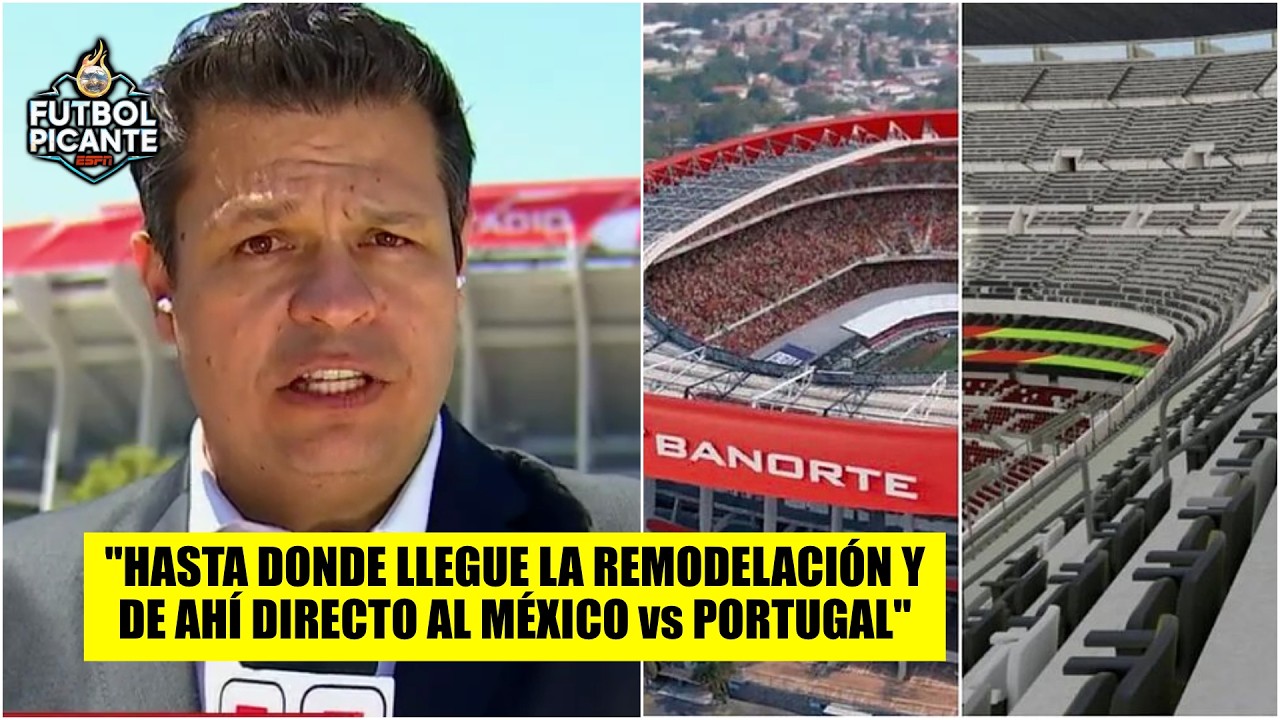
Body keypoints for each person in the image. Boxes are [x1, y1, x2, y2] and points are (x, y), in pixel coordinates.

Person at [3, 4, 639, 716]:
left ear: (458, 257)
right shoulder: (17, 610)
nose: (336, 304)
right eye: (263, 244)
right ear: (163, 287)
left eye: (388, 238)